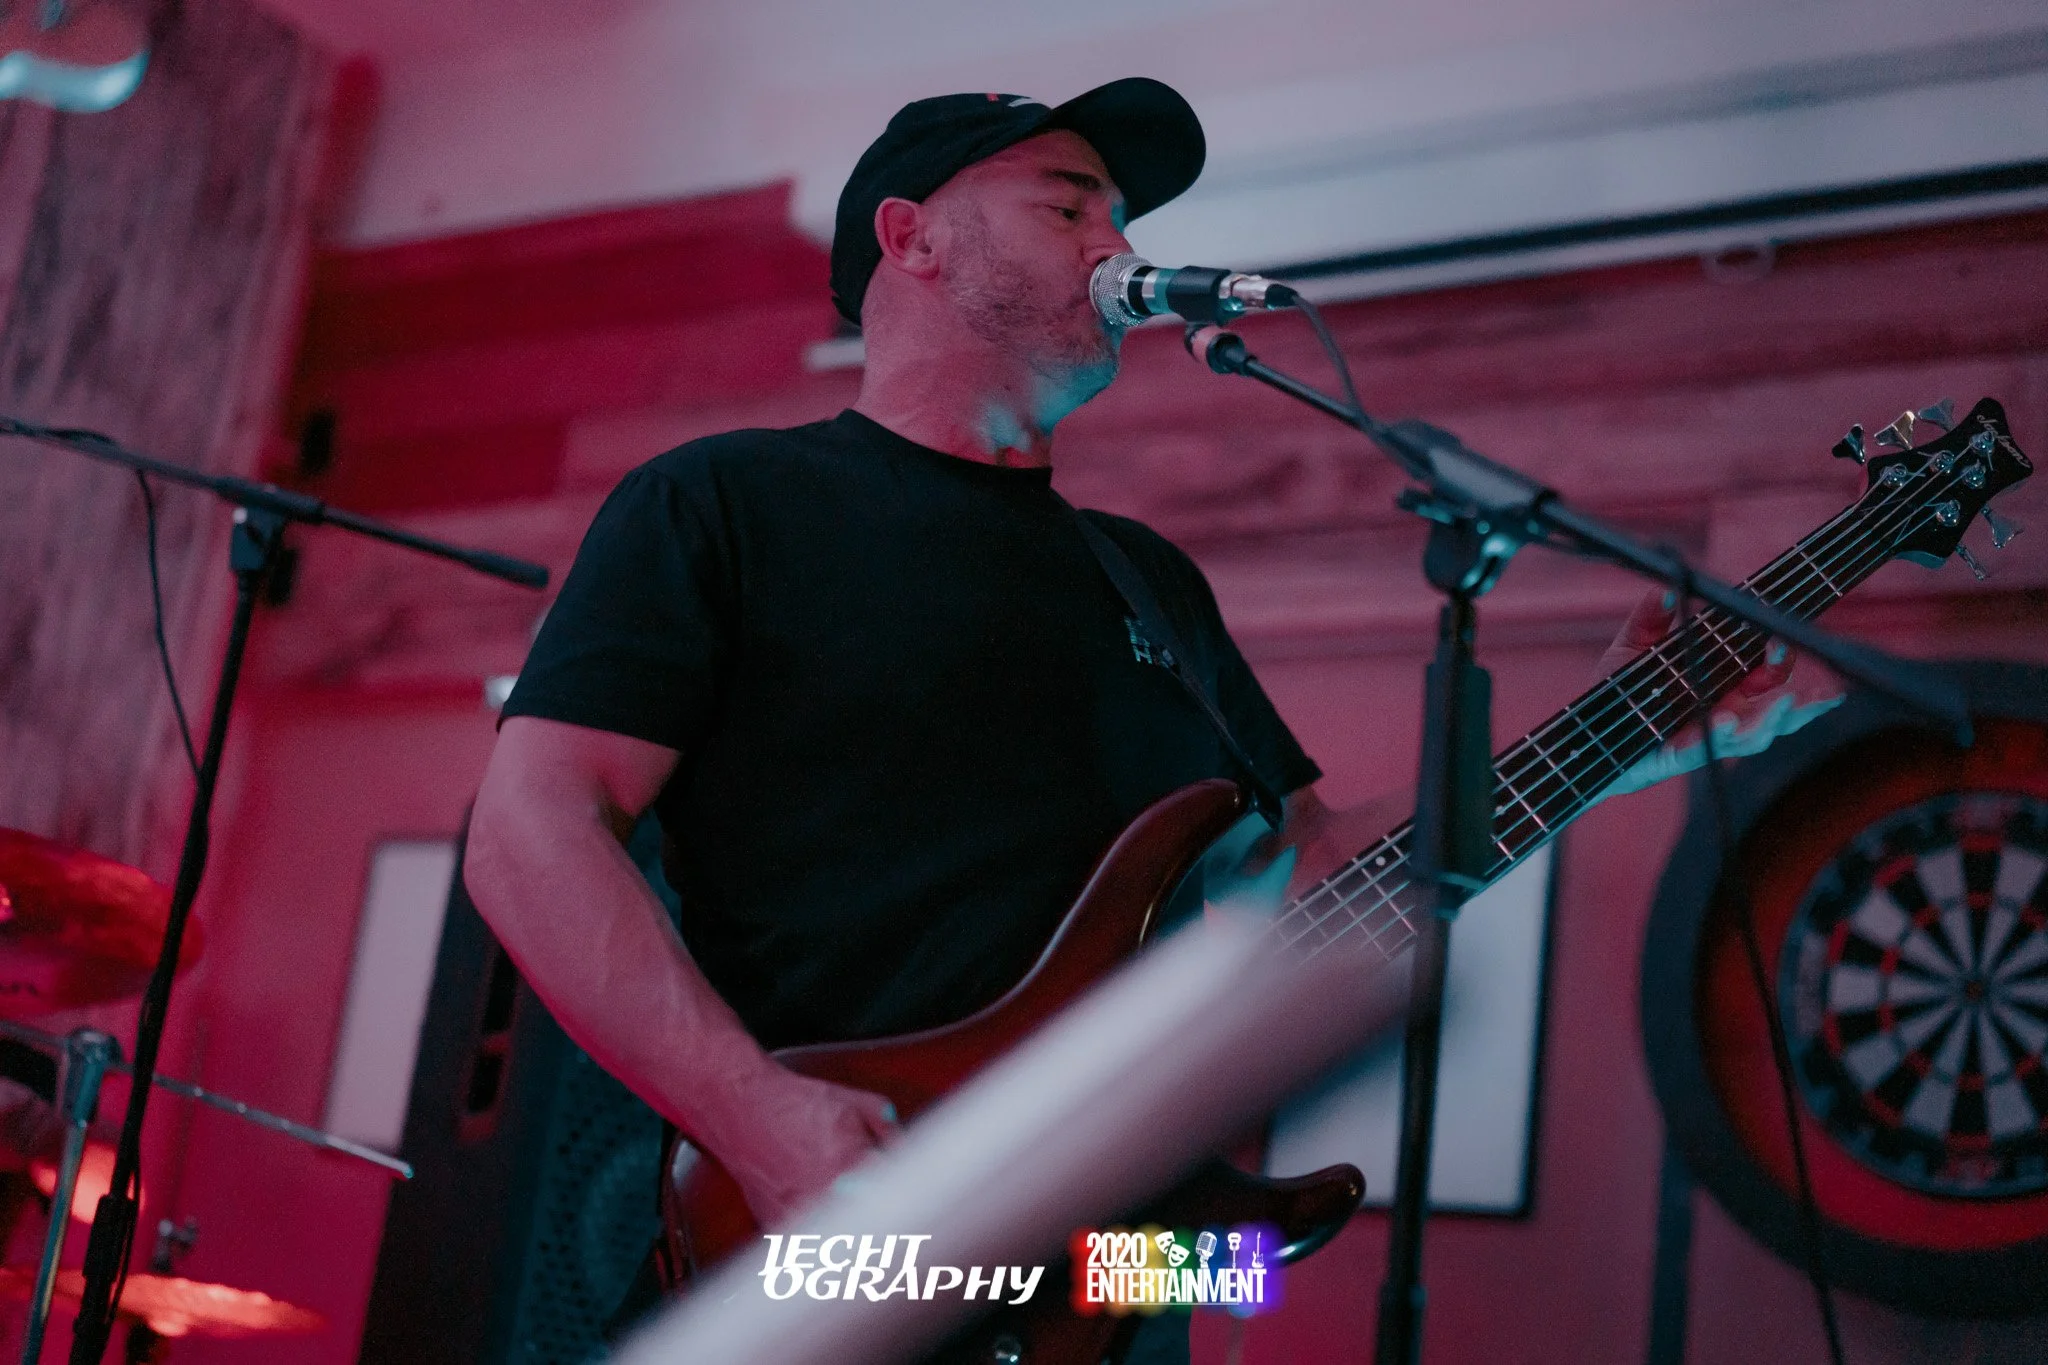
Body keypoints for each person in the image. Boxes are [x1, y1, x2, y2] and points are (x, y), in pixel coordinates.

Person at [463, 78, 1795, 1363]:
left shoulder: (1146, 577)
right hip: (827, 1245)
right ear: (911, 237)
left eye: (1121, 216)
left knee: (1251, 1261)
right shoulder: (721, 506)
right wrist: (754, 1117)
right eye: (1070, 206)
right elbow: (528, 837)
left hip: (1121, 1276)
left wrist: (1625, 739)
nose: (1120, 244)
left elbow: (1305, 876)